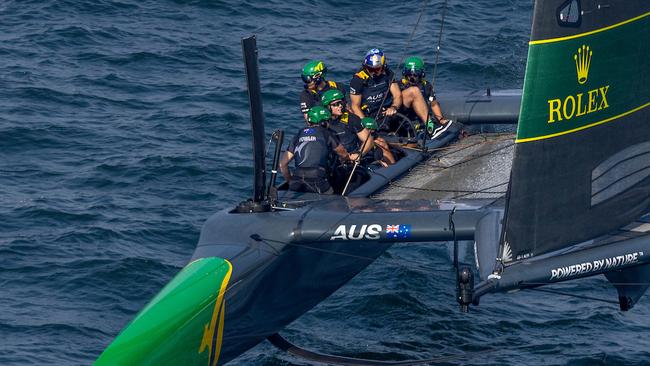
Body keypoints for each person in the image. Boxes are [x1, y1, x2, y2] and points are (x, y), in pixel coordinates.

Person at [280, 106, 357, 194]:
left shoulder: (298, 134)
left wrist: (290, 182)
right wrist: (349, 158)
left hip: (297, 181)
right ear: (323, 122)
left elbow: (282, 164)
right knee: (334, 198)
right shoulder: (326, 133)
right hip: (317, 181)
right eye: (328, 121)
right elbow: (342, 153)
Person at [399, 56, 453, 139]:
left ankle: (430, 129)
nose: (412, 77)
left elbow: (434, 104)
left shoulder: (426, 85)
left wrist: (440, 119)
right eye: (409, 74)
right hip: (406, 120)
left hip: (421, 121)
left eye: (415, 74)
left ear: (421, 74)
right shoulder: (399, 85)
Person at [349, 49, 402, 124]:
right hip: (369, 115)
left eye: (377, 69)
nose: (373, 72)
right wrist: (365, 122)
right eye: (370, 69)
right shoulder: (358, 80)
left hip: (387, 110)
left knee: (413, 91)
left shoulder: (388, 73)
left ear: (383, 66)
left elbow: (397, 95)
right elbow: (355, 106)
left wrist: (393, 107)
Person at [321, 89, 374, 156]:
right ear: (328, 107)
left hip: (353, 156)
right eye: (336, 104)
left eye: (341, 103)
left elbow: (368, 140)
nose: (340, 106)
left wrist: (359, 153)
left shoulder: (352, 118)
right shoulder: (322, 123)